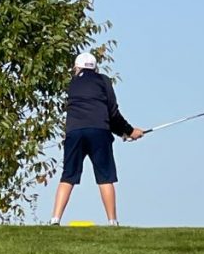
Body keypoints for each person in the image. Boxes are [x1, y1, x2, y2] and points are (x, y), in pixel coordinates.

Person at [49, 52, 146, 226]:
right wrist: (129, 131)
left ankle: (55, 219)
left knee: (68, 176)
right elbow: (112, 113)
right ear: (95, 68)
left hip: (74, 132)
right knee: (105, 177)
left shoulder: (73, 83)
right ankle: (112, 221)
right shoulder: (103, 81)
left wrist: (124, 133)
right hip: (99, 132)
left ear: (77, 68)